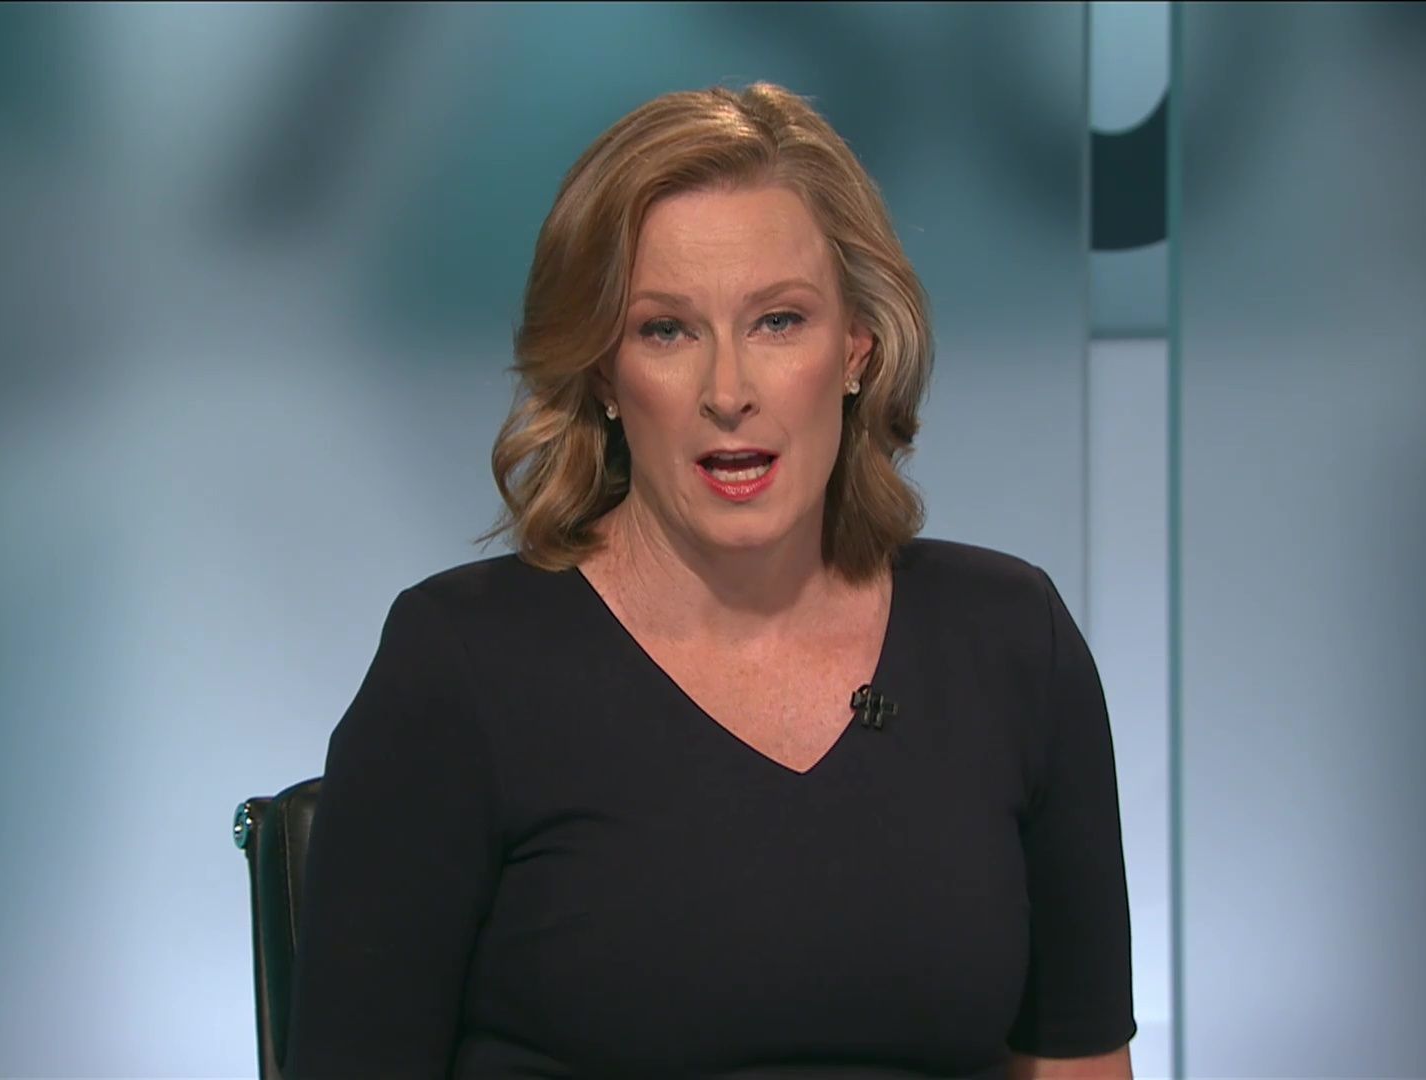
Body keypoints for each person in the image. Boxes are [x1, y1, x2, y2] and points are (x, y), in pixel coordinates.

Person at [283, 81, 1136, 1080]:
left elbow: (1080, 1067)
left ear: (856, 350)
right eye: (667, 331)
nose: (729, 391)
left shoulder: (1010, 641)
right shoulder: (462, 666)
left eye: (778, 321)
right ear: (602, 373)